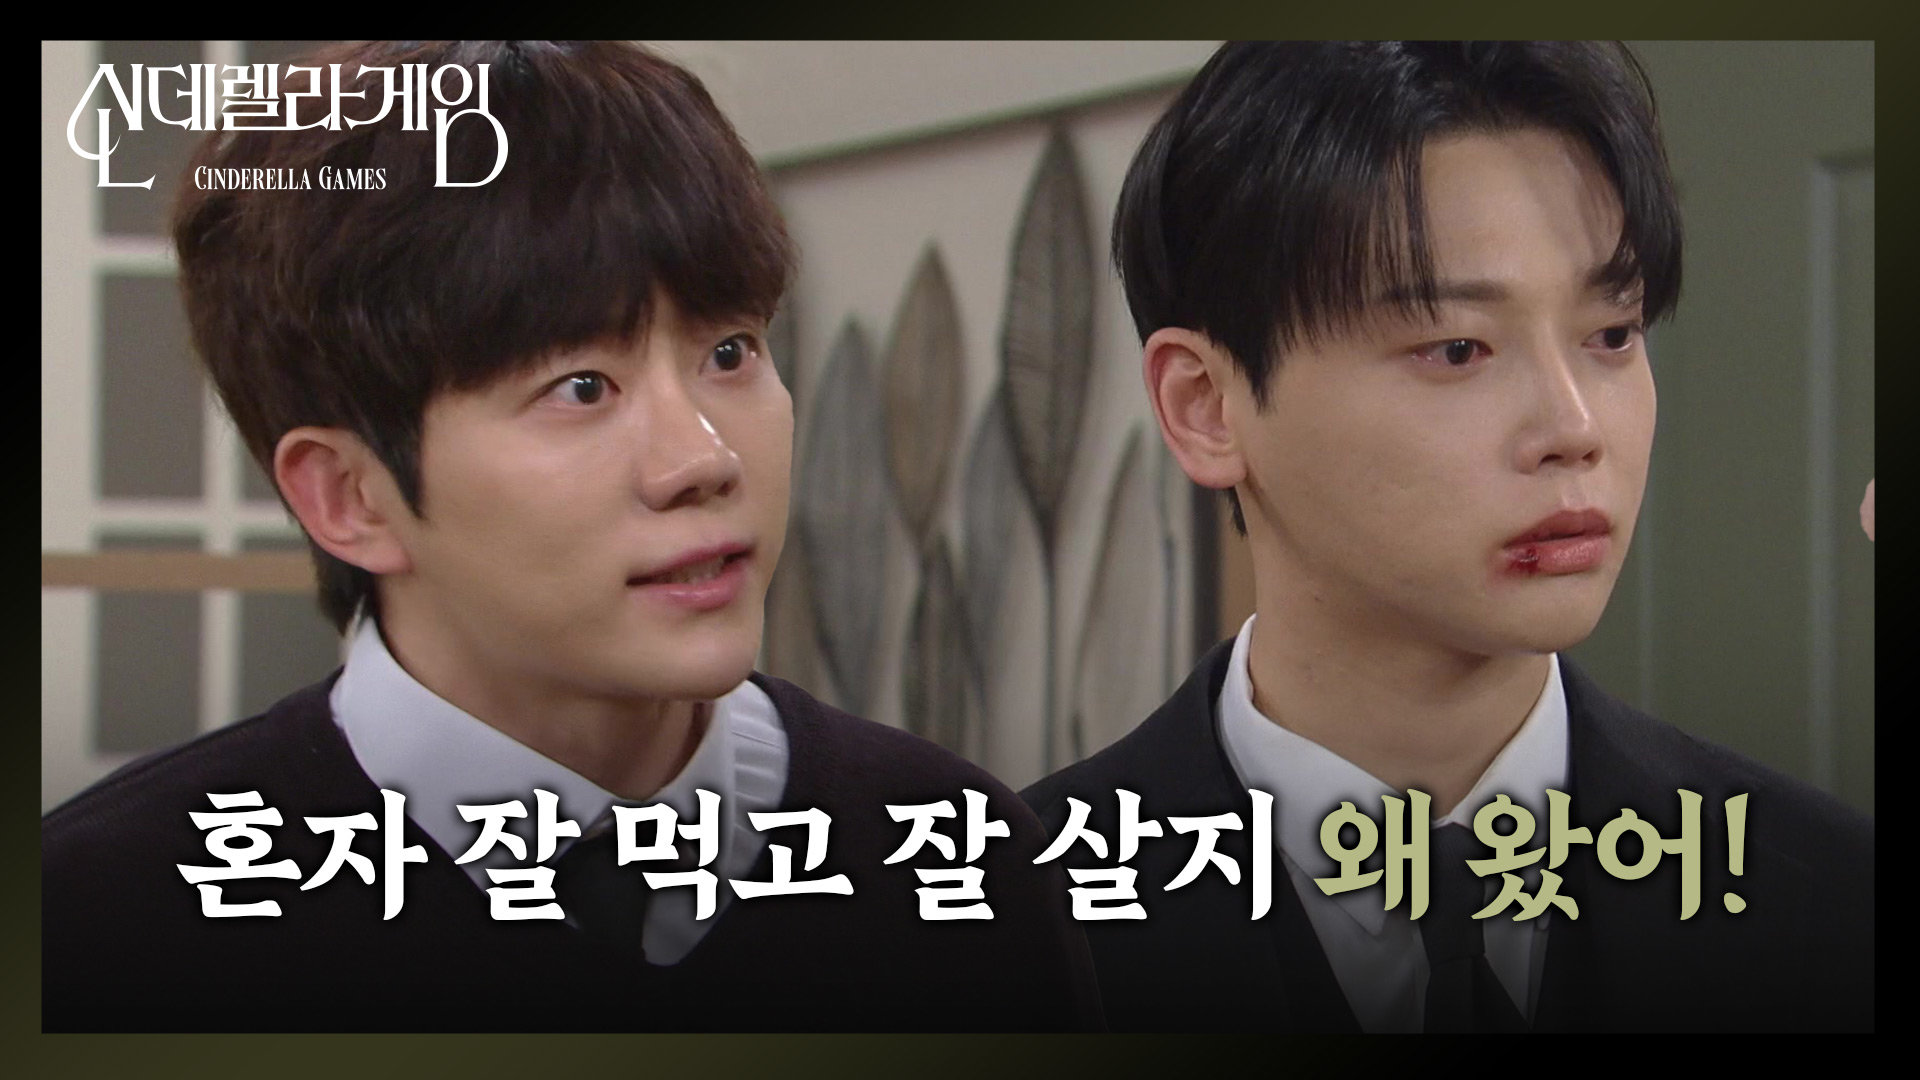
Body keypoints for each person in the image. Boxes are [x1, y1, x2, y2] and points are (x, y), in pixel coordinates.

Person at [43, 40, 1097, 1032]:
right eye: (582, 387)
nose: (701, 460)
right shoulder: (102, 923)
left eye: (730, 353)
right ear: (350, 496)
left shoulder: (953, 857)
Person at [1022, 41, 1871, 1032]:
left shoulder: (1828, 900)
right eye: (1458, 348)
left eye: (1612, 335)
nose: (1574, 430)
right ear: (1205, 405)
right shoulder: (1003, 926)